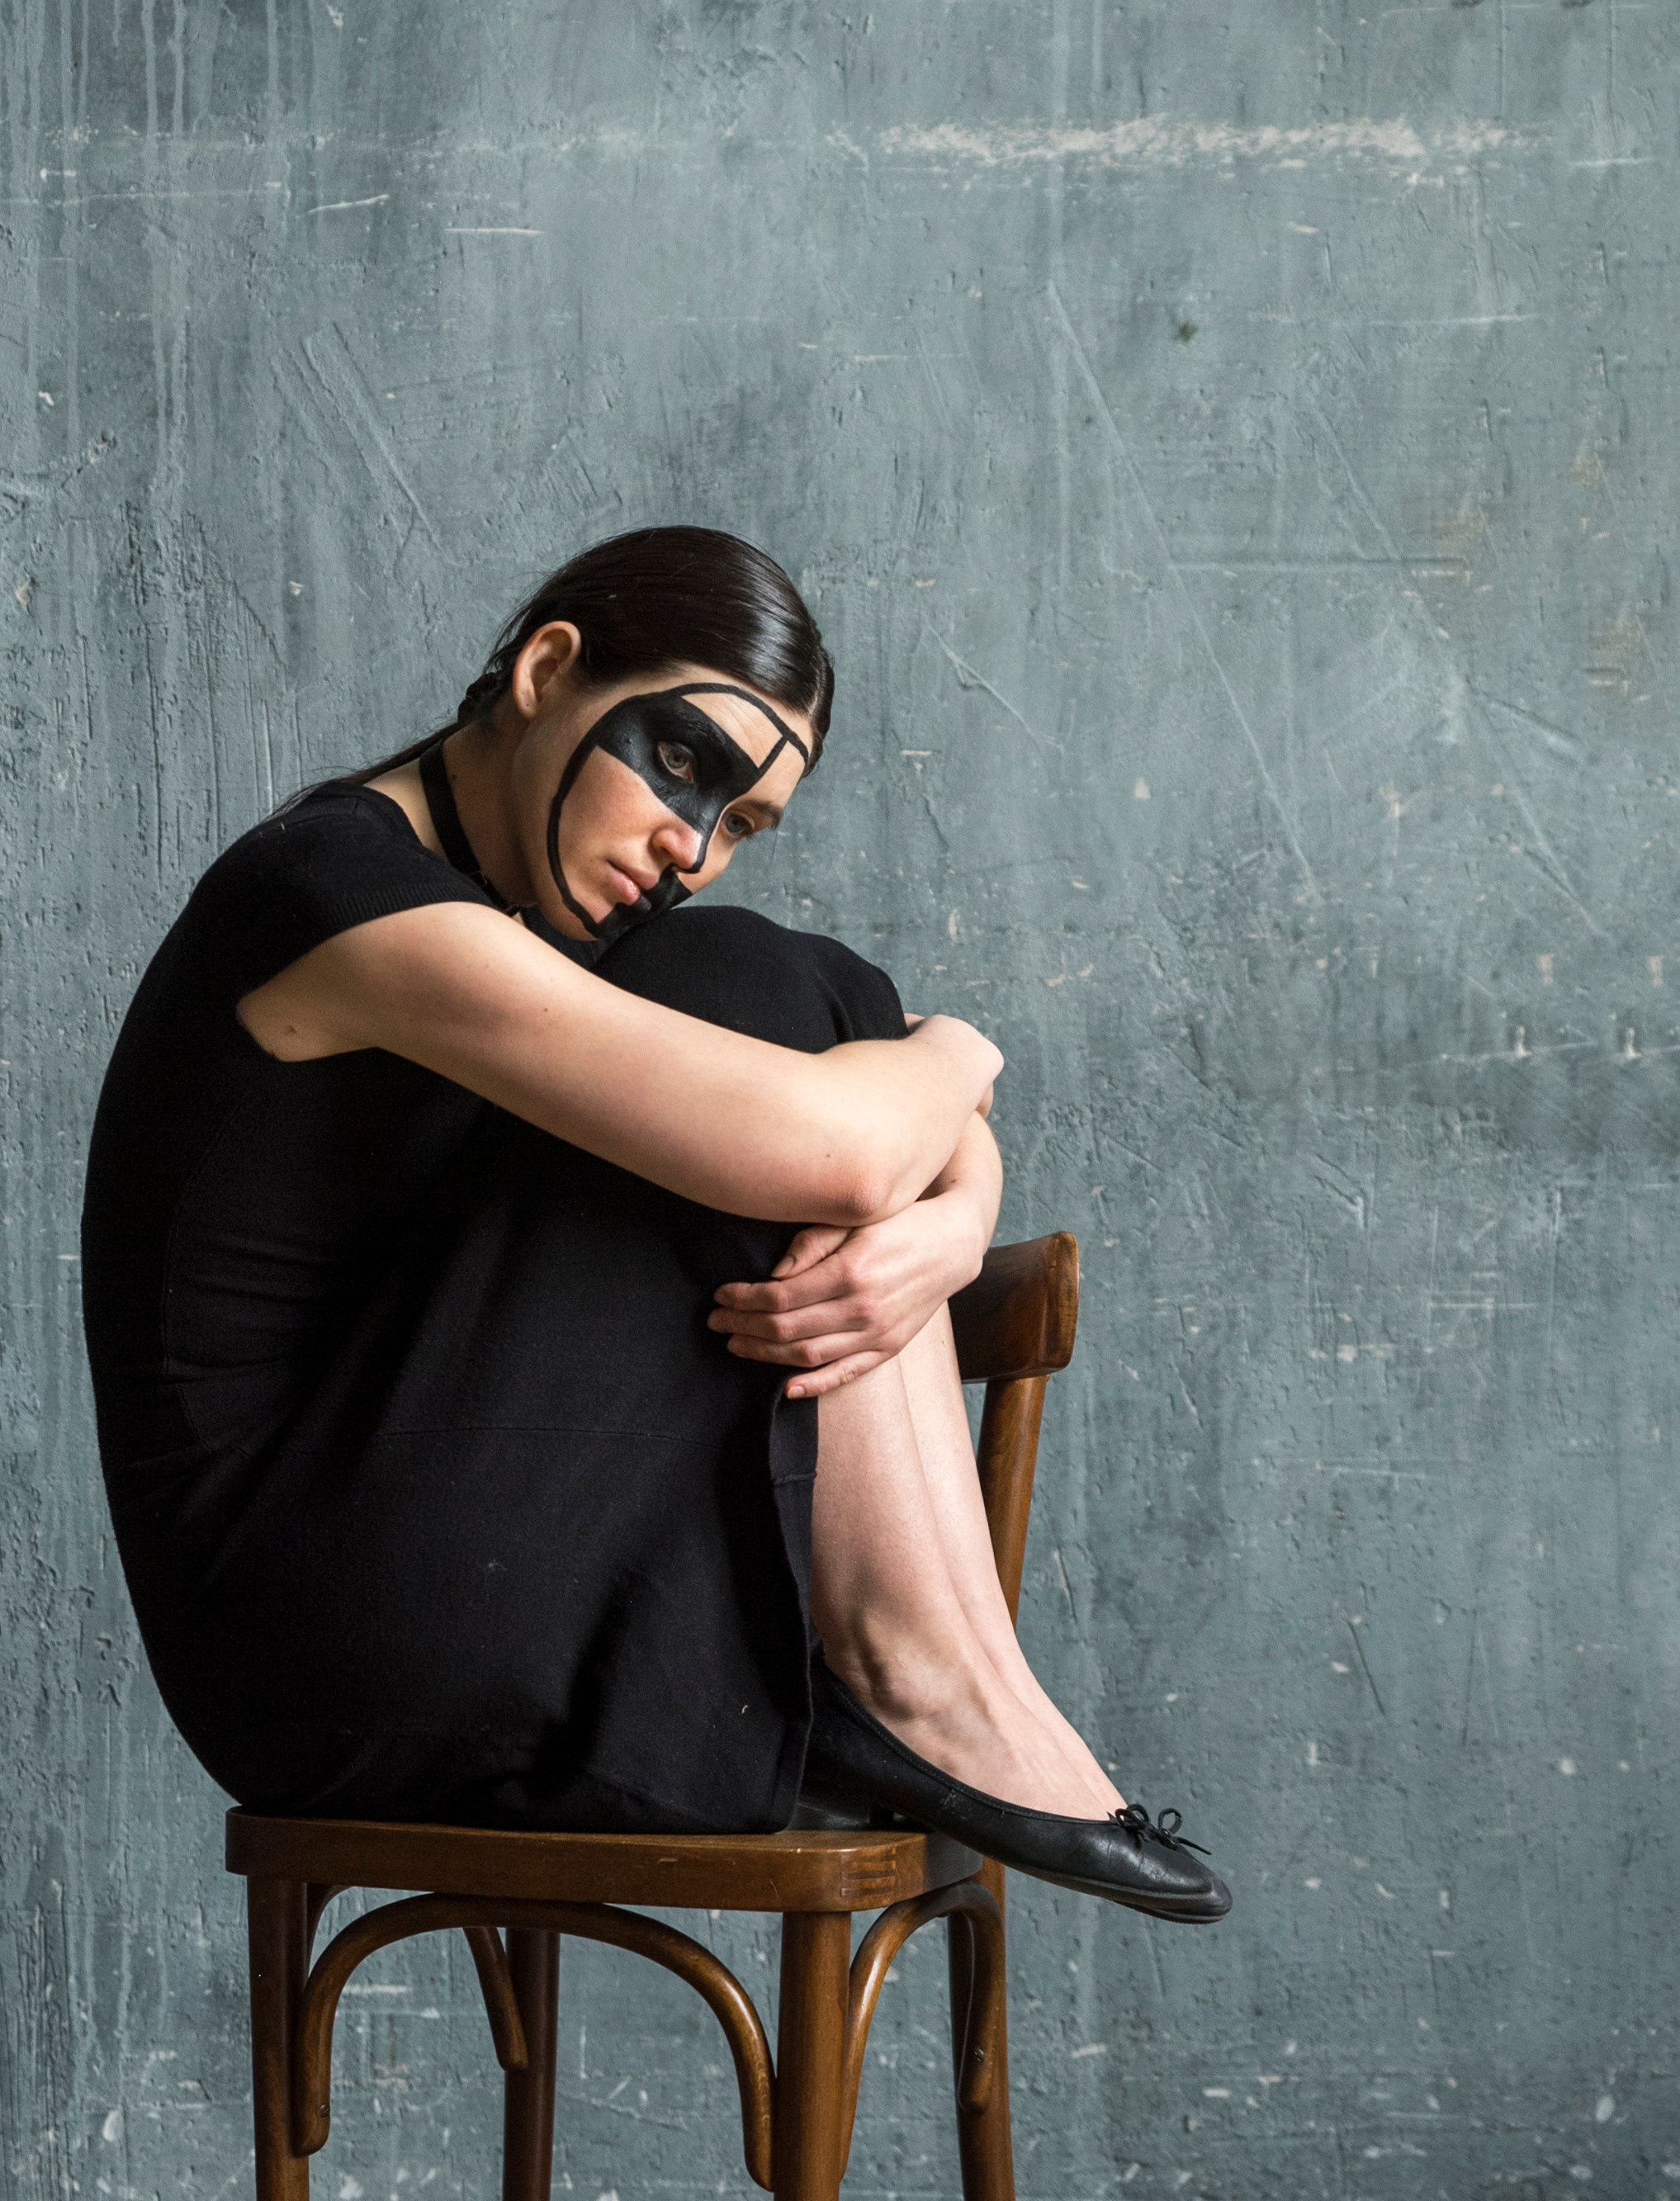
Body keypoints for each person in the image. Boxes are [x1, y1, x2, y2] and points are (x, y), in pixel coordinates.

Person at [82, 528, 1227, 1922]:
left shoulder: (526, 927)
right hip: (314, 1644)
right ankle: (922, 1678)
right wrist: (967, 1056)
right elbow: (845, 1140)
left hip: (444, 1562)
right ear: (548, 669)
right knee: (752, 983)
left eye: (741, 825)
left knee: (791, 989)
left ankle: (931, 1676)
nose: (691, 847)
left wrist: (947, 1222)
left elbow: (855, 1131)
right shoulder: (332, 895)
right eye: (682, 765)